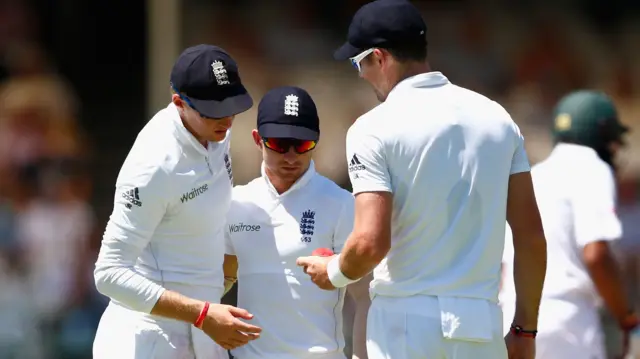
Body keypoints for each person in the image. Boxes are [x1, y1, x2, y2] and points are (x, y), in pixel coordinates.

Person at [296, 1, 547, 359]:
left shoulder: (372, 129)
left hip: (405, 327)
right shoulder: (498, 119)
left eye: (358, 63)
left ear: (379, 58)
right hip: (479, 325)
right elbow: (531, 237)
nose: (359, 74)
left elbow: (369, 243)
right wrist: (525, 330)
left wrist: (333, 271)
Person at [92, 44, 262, 359]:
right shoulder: (155, 164)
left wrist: (221, 276)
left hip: (205, 335)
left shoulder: (214, 133)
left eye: (232, 107)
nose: (226, 120)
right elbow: (109, 274)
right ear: (179, 103)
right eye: (212, 110)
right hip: (146, 341)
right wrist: (201, 313)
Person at [222, 86, 371, 359]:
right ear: (258, 139)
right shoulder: (235, 202)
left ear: (316, 141)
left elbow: (365, 298)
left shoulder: (341, 203)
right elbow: (217, 283)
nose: (291, 157)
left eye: (301, 145)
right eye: (279, 144)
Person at [500, 90, 639, 359]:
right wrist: (629, 320)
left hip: (517, 321)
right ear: (603, 139)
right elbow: (596, 254)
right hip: (568, 323)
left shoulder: (536, 174)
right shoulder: (592, 166)